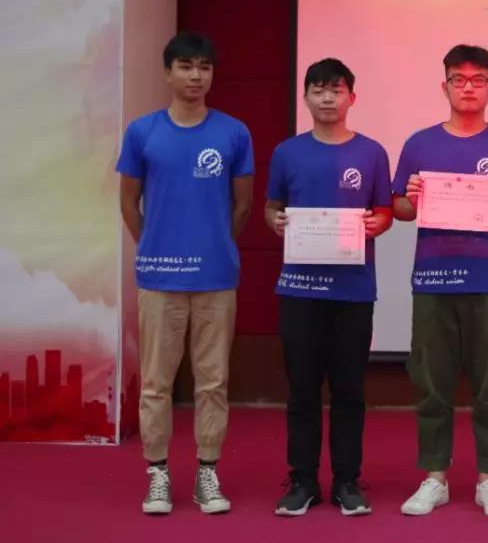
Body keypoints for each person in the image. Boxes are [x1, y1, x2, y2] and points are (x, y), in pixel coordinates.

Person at [393, 45, 488, 518]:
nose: (468, 87)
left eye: (478, 80)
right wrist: (411, 197)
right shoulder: (419, 144)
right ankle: (434, 477)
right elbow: (400, 208)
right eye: (459, 79)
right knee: (431, 384)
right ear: (445, 86)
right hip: (434, 279)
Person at [116, 32, 254, 515]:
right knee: (156, 382)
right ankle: (157, 473)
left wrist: (213, 245)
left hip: (216, 278)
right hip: (159, 278)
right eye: (186, 66)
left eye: (204, 67)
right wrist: (155, 247)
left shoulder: (234, 133)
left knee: (213, 382)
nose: (196, 76)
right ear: (167, 72)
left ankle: (207, 473)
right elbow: (128, 202)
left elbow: (242, 206)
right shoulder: (143, 132)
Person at [265, 58, 393, 516]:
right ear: (305, 97)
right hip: (300, 289)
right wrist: (276, 221)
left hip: (352, 291)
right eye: (317, 90)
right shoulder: (287, 152)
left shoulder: (372, 153)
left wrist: (378, 223)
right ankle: (302, 480)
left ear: (351, 98)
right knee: (302, 389)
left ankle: (346, 480)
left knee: (349, 389)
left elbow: (384, 211)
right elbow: (272, 207)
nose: (326, 98)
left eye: (336, 90)